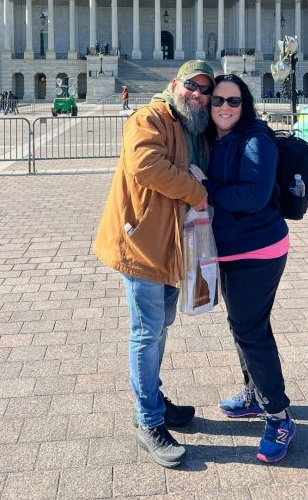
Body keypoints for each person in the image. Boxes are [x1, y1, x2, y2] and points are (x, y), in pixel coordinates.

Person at [94, 60, 215, 469]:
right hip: (141, 244)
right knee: (147, 333)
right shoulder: (149, 118)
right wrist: (196, 190)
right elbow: (145, 165)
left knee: (159, 329)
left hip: (169, 247)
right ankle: (148, 421)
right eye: (193, 86)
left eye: (206, 90)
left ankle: (152, 399)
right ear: (175, 83)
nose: (199, 95)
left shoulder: (191, 127)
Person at [189, 74, 296, 464]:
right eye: (218, 100)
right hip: (231, 250)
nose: (224, 107)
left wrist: (206, 188)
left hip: (259, 250)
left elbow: (253, 196)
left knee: (252, 331)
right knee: (242, 326)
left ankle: (279, 416)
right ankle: (254, 393)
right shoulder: (214, 139)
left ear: (244, 104)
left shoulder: (256, 140)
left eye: (233, 101)